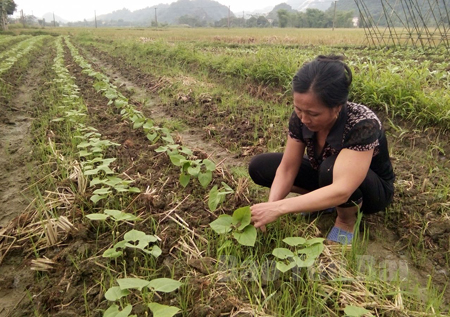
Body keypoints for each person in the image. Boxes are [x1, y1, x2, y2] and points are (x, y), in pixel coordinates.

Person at [248, 55, 394, 245]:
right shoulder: (300, 118)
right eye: (298, 109)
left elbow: (342, 189)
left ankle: (346, 221)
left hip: (369, 191)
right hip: (326, 175)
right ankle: (324, 204)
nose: (304, 119)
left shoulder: (362, 124)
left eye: (313, 114)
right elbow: (287, 168)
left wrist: (280, 208)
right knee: (260, 166)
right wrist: (271, 206)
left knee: (330, 169)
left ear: (337, 108)